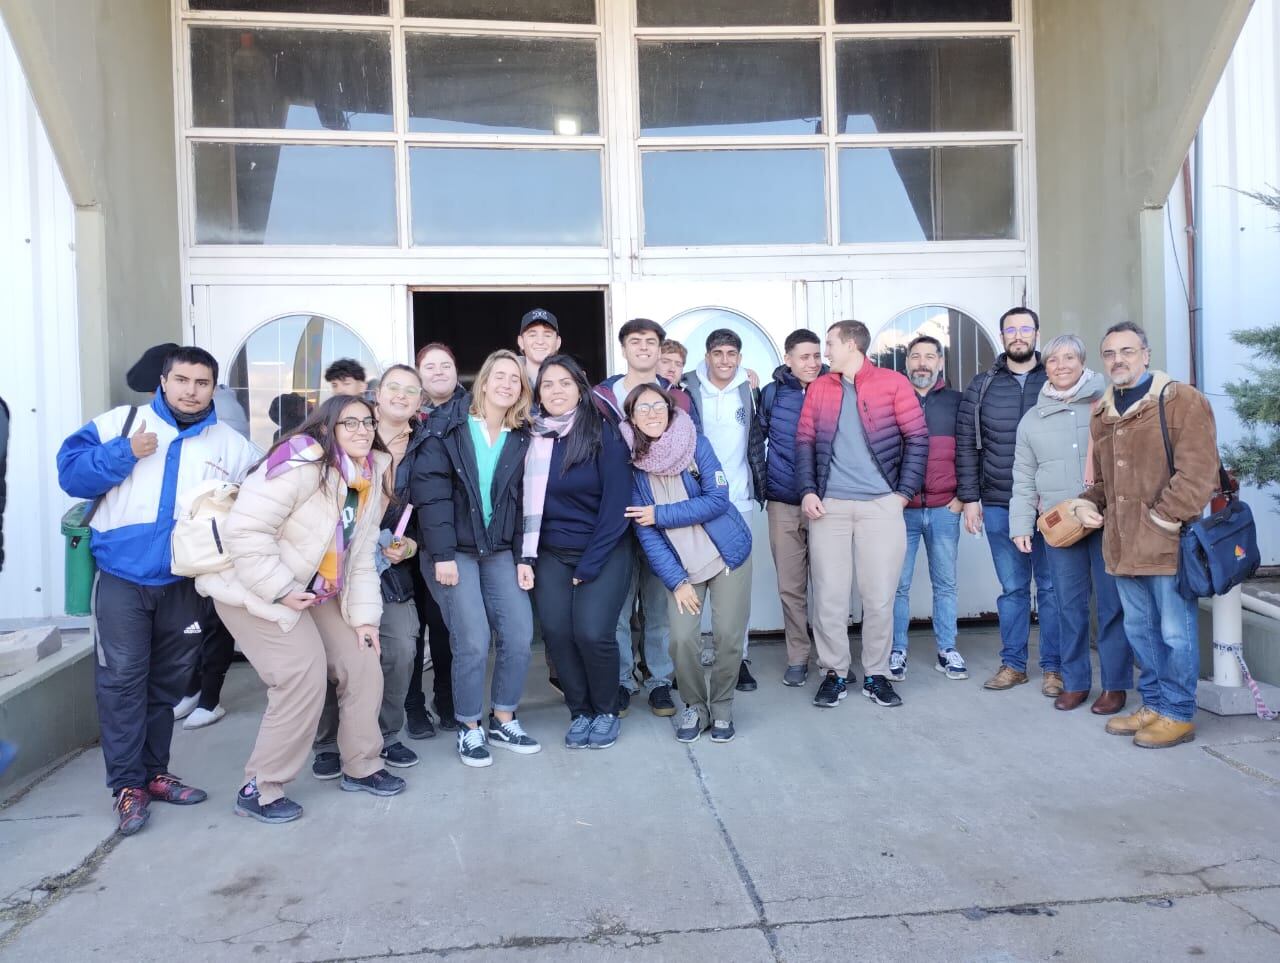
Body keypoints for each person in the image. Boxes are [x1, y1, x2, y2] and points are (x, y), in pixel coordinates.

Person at [57, 346, 258, 836]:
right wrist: (125, 453)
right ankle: (127, 786)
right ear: (163, 382)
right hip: (123, 581)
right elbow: (70, 474)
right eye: (182, 380)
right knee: (122, 681)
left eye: (202, 383)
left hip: (185, 582)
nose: (192, 391)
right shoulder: (120, 425)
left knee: (167, 683)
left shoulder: (229, 445)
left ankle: (155, 773)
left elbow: (260, 498)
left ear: (214, 388)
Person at [199, 394, 406, 823]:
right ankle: (261, 786)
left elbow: (363, 556)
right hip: (254, 588)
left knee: (363, 658)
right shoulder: (298, 465)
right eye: (349, 423)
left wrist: (365, 620)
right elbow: (246, 533)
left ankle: (361, 765)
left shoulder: (369, 475)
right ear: (327, 427)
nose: (362, 431)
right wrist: (279, 588)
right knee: (302, 673)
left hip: (313, 590)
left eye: (368, 422)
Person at [1072, 322, 1219, 748]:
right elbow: (1105, 483)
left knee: (1175, 632)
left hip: (1165, 544)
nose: (1119, 359)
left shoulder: (1180, 401)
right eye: (1111, 353)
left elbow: (1198, 474)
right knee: (1141, 632)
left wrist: (1163, 519)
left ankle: (1177, 711)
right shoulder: (1102, 412)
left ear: (1146, 354)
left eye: (1128, 351)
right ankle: (1153, 703)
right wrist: (1088, 502)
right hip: (1120, 547)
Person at [412, 349, 541, 768]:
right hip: (455, 553)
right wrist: (443, 555)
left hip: (500, 549)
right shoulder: (448, 427)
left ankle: (503, 717)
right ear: (483, 381)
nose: (506, 384)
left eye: (515, 379)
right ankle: (469, 727)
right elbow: (430, 494)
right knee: (472, 639)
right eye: (498, 376)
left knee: (519, 633)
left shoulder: (521, 436)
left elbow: (523, 501)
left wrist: (525, 557)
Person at [797, 321, 928, 710]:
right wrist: (807, 490)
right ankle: (834, 673)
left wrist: (902, 495)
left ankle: (876, 675)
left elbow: (918, 438)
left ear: (851, 344)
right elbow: (804, 441)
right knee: (830, 598)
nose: (825, 352)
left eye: (830, 343)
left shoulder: (892, 383)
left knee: (879, 598)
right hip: (830, 508)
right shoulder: (820, 386)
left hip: (880, 507)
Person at [311, 366, 429, 778]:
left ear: (420, 401)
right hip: (330, 569)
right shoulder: (346, 434)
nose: (401, 396)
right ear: (377, 394)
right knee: (332, 657)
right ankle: (328, 741)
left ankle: (383, 736)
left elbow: (434, 512)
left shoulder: (428, 445)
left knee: (399, 649)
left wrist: (411, 545)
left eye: (411, 391)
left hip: (390, 570)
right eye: (393, 387)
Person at [621, 385, 753, 744]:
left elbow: (717, 500)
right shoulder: (630, 464)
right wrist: (676, 581)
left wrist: (660, 514)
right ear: (631, 417)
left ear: (670, 409)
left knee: (727, 637)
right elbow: (645, 533)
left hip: (726, 554)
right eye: (642, 407)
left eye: (658, 405)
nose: (652, 412)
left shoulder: (696, 443)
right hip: (682, 568)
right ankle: (695, 704)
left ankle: (722, 704)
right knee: (680, 640)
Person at [1010, 335, 1134, 713]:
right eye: (1052, 360)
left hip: (1106, 518)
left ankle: (1115, 685)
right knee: (1069, 606)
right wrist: (1020, 524)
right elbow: (1024, 476)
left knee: (1111, 605)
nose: (1060, 365)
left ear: (1083, 362)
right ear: (1043, 367)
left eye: (1068, 358)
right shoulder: (1032, 419)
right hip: (1060, 525)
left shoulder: (1108, 403)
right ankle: (1076, 681)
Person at [522, 355, 634, 749]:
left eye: (564, 383)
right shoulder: (531, 437)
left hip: (602, 548)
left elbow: (617, 506)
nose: (556, 391)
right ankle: (580, 711)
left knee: (592, 632)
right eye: (548, 384)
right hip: (551, 550)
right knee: (556, 633)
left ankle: (605, 710)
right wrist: (527, 556)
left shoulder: (604, 433)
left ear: (580, 388)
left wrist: (588, 565)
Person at [956, 307, 1063, 694]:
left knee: (1052, 589)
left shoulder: (1056, 380)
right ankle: (1013, 664)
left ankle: (1055, 668)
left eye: (1025, 328)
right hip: (999, 501)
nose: (1018, 335)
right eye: (1010, 330)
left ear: (1036, 333)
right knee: (1014, 589)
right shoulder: (982, 385)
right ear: (1002, 337)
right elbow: (967, 445)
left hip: (1050, 507)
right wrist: (970, 498)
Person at [592, 318, 693, 718]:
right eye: (635, 342)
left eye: (651, 342)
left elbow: (690, 454)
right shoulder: (601, 398)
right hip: (615, 514)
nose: (644, 349)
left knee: (657, 602)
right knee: (616, 605)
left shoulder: (678, 399)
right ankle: (621, 679)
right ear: (624, 349)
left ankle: (659, 682)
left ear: (660, 349)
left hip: (661, 512)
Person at [683, 329, 767, 693]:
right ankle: (693, 655)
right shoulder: (688, 389)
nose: (725, 361)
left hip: (739, 501)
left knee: (735, 590)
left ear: (740, 357)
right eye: (718, 353)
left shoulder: (749, 391)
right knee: (695, 582)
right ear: (707, 356)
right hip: (696, 503)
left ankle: (738, 659)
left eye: (732, 354)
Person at [890, 335, 967, 682]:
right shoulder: (893, 397)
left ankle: (947, 649)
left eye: (929, 357)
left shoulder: (956, 402)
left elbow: (969, 451)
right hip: (901, 510)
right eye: (915, 357)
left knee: (946, 584)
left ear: (940, 362)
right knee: (897, 584)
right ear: (906, 362)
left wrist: (963, 497)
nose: (922, 363)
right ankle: (896, 649)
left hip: (943, 507)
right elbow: (881, 453)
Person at [758, 329, 827, 686]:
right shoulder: (772, 394)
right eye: (804, 356)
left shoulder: (837, 387)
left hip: (828, 502)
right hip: (783, 501)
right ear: (788, 359)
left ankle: (832, 659)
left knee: (830, 584)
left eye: (817, 355)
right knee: (791, 586)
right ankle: (798, 656)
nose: (812, 363)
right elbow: (758, 440)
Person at [404, 343, 466, 738]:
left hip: (443, 534)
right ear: (418, 374)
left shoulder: (471, 411)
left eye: (447, 364)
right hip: (400, 538)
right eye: (430, 366)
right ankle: (412, 706)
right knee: (409, 630)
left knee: (445, 626)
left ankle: (446, 698)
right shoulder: (403, 414)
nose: (439, 371)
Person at [516, 308, 563, 387]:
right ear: (521, 342)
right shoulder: (507, 378)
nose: (540, 341)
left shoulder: (571, 378)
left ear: (558, 342)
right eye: (532, 335)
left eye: (547, 335)